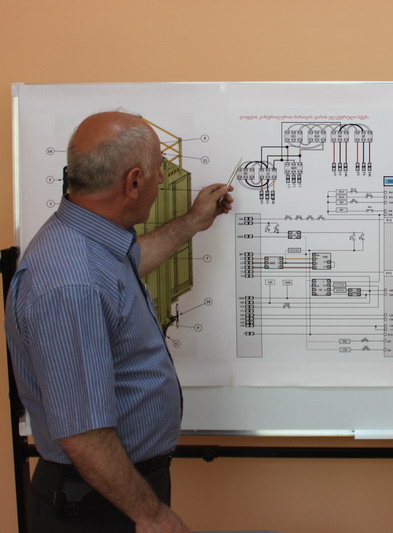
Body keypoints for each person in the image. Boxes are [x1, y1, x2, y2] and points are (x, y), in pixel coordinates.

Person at [5, 111, 234, 532]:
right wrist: (153, 516)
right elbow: (84, 435)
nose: (163, 179)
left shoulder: (87, 241)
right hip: (97, 503)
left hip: (112, 488)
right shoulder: (71, 284)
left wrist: (193, 222)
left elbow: (126, 267)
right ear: (133, 182)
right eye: (158, 170)